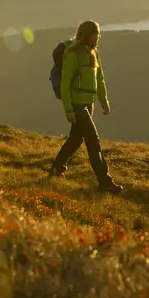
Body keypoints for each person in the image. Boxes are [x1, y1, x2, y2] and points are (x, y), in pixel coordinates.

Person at [49, 20, 123, 192]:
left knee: (76, 139)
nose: (98, 37)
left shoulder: (93, 52)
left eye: (98, 34)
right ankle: (105, 181)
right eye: (95, 34)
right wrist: (68, 110)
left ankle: (55, 169)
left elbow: (100, 78)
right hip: (76, 104)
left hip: (89, 103)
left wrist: (103, 100)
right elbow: (65, 85)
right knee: (93, 140)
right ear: (86, 35)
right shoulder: (73, 54)